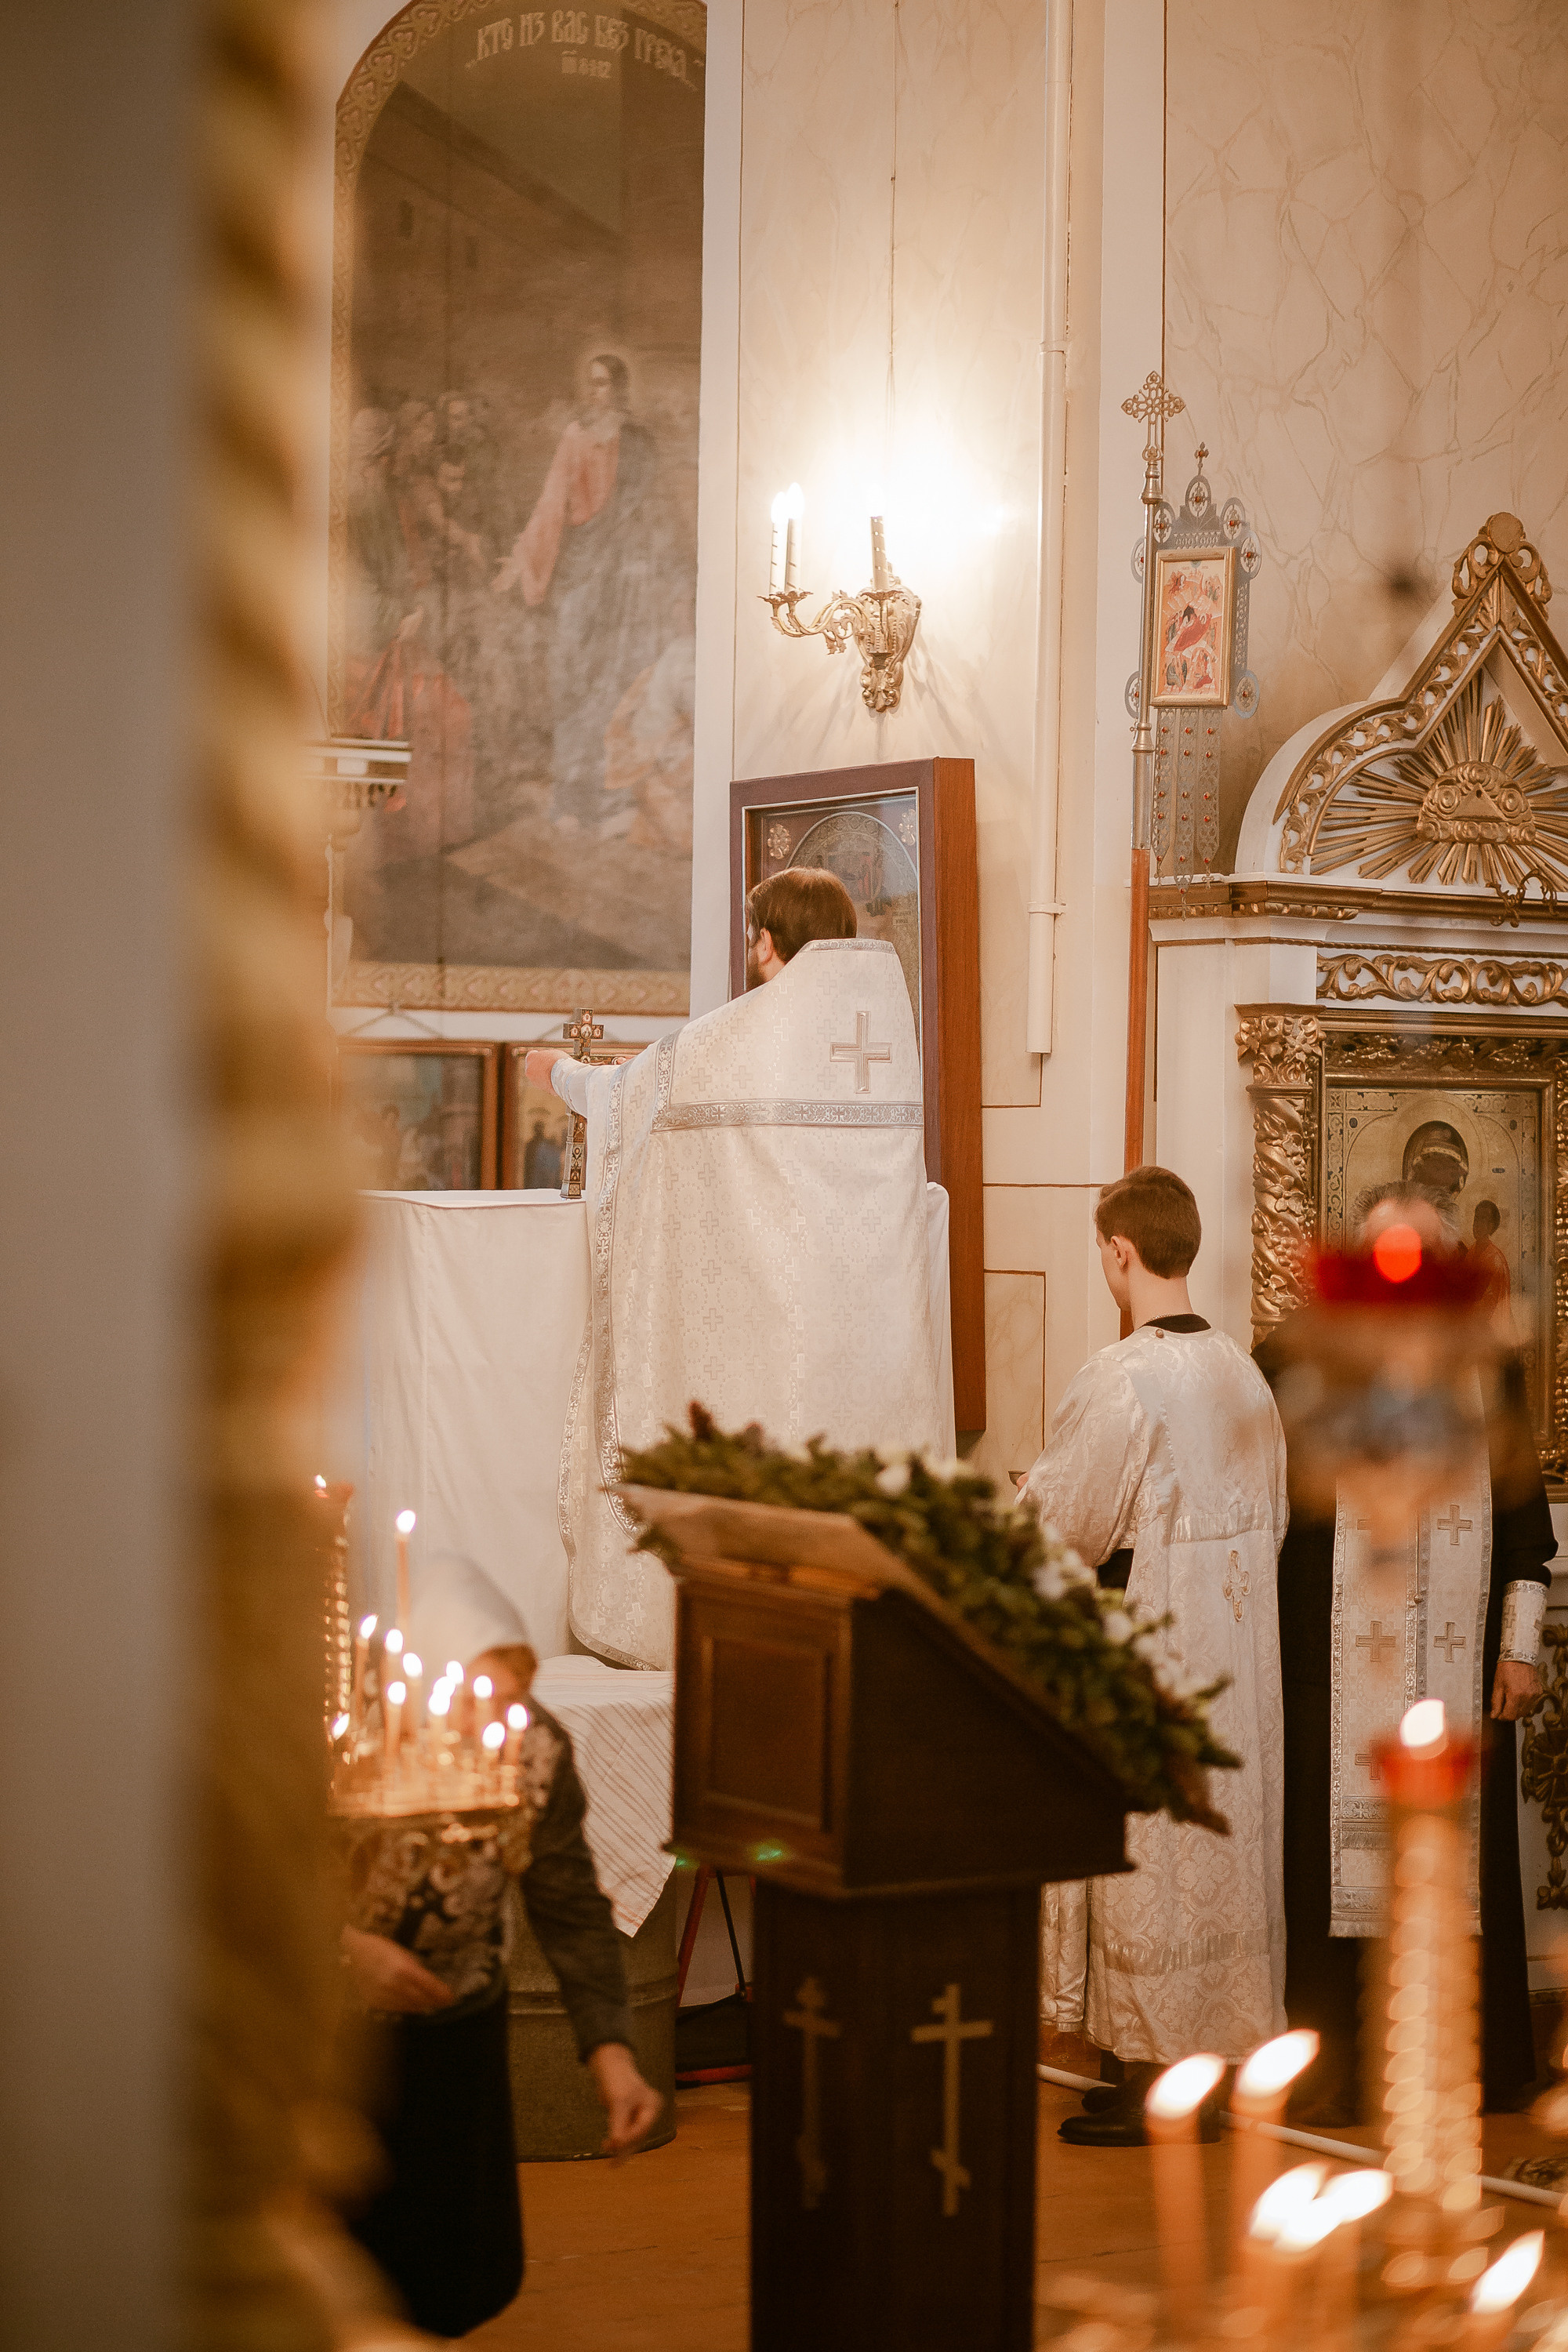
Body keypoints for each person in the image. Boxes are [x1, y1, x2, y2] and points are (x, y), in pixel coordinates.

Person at [523, 866, 942, 1668]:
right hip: (870, 1335)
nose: (750, 950)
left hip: (778, 1322)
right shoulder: (884, 1031)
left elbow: (631, 1094)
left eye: (754, 933)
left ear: (769, 940)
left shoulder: (752, 1033)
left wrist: (560, 1076)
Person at [1258, 1181, 1553, 2121]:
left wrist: (1517, 1650)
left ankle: (1472, 2066)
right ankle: (1331, 2074)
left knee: (1459, 1870)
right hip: (1326, 1669)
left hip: (1456, 1673)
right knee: (1325, 1871)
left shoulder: (1488, 1373)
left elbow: (1523, 1533)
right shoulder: (1295, 1364)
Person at [1022, 1165, 1288, 2147]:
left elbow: (1064, 1522)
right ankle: (1193, 2075)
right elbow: (1278, 1518)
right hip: (1235, 1670)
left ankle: (1155, 2092)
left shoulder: (1122, 1375)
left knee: (1149, 1865)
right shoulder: (1241, 1372)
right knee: (1210, 1857)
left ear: (1118, 1251)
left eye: (1102, 1251)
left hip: (1149, 1662)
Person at [337, 1555, 661, 2339]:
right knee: (340, 2262)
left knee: (449, 2267)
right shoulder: (347, 1739)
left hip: (459, 2032)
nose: (493, 1725)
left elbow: (570, 1906)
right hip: (334, 2047)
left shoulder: (533, 1748)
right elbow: (248, 1880)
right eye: (470, 1697)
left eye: (509, 1696)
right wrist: (345, 1952)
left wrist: (610, 2052)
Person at [492, 353, 666, 836]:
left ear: (621, 389)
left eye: (607, 384)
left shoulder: (638, 443)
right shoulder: (575, 439)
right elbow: (552, 505)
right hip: (583, 571)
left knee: (617, 678)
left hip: (624, 577)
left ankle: (611, 797)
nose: (598, 393)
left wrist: (644, 565)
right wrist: (525, 560)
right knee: (573, 673)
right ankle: (570, 794)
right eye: (592, 385)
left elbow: (649, 511)